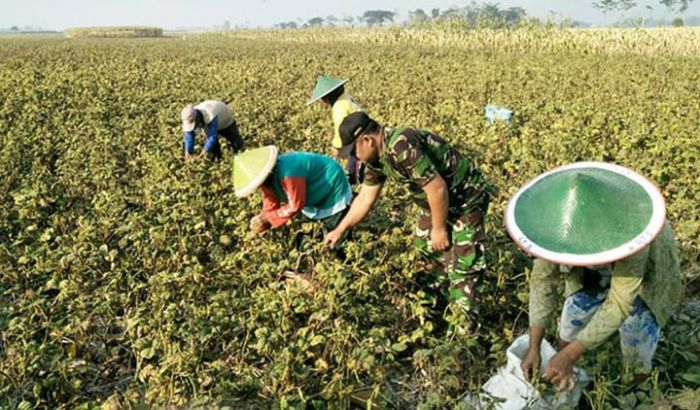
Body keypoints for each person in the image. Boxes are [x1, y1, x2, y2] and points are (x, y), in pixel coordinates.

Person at [504, 162, 683, 392]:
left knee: (636, 331)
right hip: (593, 273)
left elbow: (620, 302)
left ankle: (635, 388)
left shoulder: (634, 234)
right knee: (572, 318)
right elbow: (543, 282)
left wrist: (569, 354)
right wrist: (534, 346)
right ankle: (569, 375)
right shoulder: (555, 226)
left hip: (642, 277)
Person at [325, 112, 495, 321]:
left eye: (353, 152)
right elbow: (366, 198)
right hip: (435, 203)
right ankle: (434, 311)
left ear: (366, 140)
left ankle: (463, 335)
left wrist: (439, 229)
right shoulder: (376, 160)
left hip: (466, 199)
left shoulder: (401, 145)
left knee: (464, 265)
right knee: (425, 250)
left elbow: (437, 188)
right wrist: (340, 230)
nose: (354, 158)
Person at [233, 146, 352, 236]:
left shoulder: (288, 172)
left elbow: (296, 205)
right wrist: (263, 218)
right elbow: (270, 197)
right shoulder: (268, 177)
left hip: (331, 186)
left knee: (335, 230)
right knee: (309, 230)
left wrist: (268, 219)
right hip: (309, 192)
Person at [307, 75, 364, 184]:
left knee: (355, 177)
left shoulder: (339, 107)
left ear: (326, 98)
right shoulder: (346, 97)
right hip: (363, 134)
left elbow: (341, 130)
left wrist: (336, 149)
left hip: (362, 141)